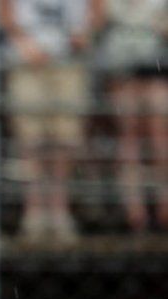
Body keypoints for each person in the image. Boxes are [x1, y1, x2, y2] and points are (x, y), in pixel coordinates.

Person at [0, 0, 94, 245]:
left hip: (69, 60)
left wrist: (85, 33)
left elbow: (98, 8)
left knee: (65, 139)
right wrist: (23, 42)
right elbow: (4, 9)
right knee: (31, 139)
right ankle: (34, 213)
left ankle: (59, 211)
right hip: (26, 59)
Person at [94, 0, 168, 232]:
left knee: (160, 138)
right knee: (129, 138)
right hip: (121, 72)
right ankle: (134, 211)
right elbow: (99, 20)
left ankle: (164, 206)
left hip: (157, 72)